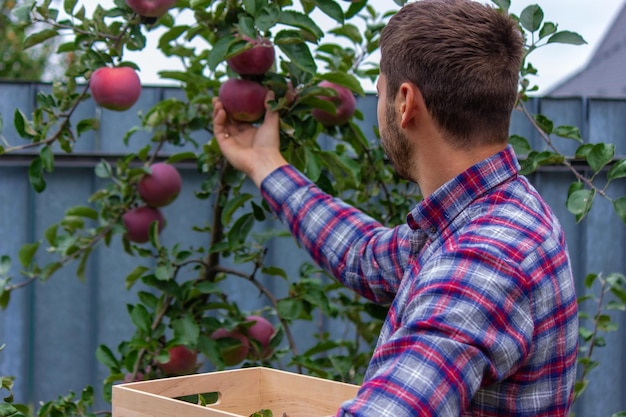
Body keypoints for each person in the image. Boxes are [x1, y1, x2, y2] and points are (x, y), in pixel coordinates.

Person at [211, 0, 579, 415]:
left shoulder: (482, 260)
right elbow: (363, 255)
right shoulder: (490, 213)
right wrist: (266, 165)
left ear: (405, 102)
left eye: (379, 88)